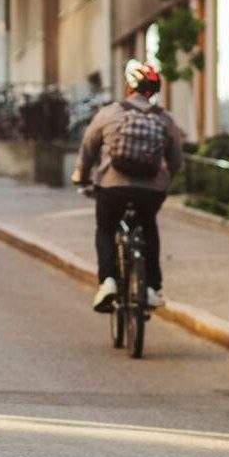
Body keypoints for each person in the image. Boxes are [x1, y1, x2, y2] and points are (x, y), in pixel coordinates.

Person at [71, 58, 186, 313]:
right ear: (153, 91)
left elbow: (88, 147)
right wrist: (167, 179)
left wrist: (81, 175)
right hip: (150, 191)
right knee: (148, 229)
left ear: (129, 87)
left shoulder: (110, 113)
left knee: (105, 228)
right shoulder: (165, 119)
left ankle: (108, 281)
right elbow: (176, 160)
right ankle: (152, 288)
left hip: (113, 187)